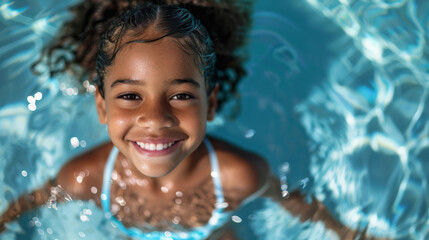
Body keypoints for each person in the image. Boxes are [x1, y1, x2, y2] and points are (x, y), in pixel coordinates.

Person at [0, 1, 381, 239]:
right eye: (131, 96)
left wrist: (348, 233)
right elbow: (29, 203)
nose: (155, 118)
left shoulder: (237, 175)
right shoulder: (85, 177)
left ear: (210, 103)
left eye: (181, 96)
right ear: (102, 107)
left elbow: (298, 204)